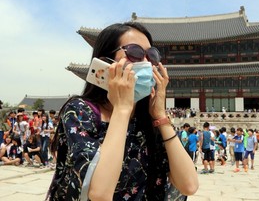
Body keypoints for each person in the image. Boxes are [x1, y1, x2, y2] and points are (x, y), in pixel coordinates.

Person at [46, 22, 198, 200]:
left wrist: (161, 117)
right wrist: (122, 109)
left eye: (151, 55)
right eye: (135, 52)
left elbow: (189, 185)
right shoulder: (80, 111)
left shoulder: (150, 119)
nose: (147, 63)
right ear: (106, 63)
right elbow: (99, 193)